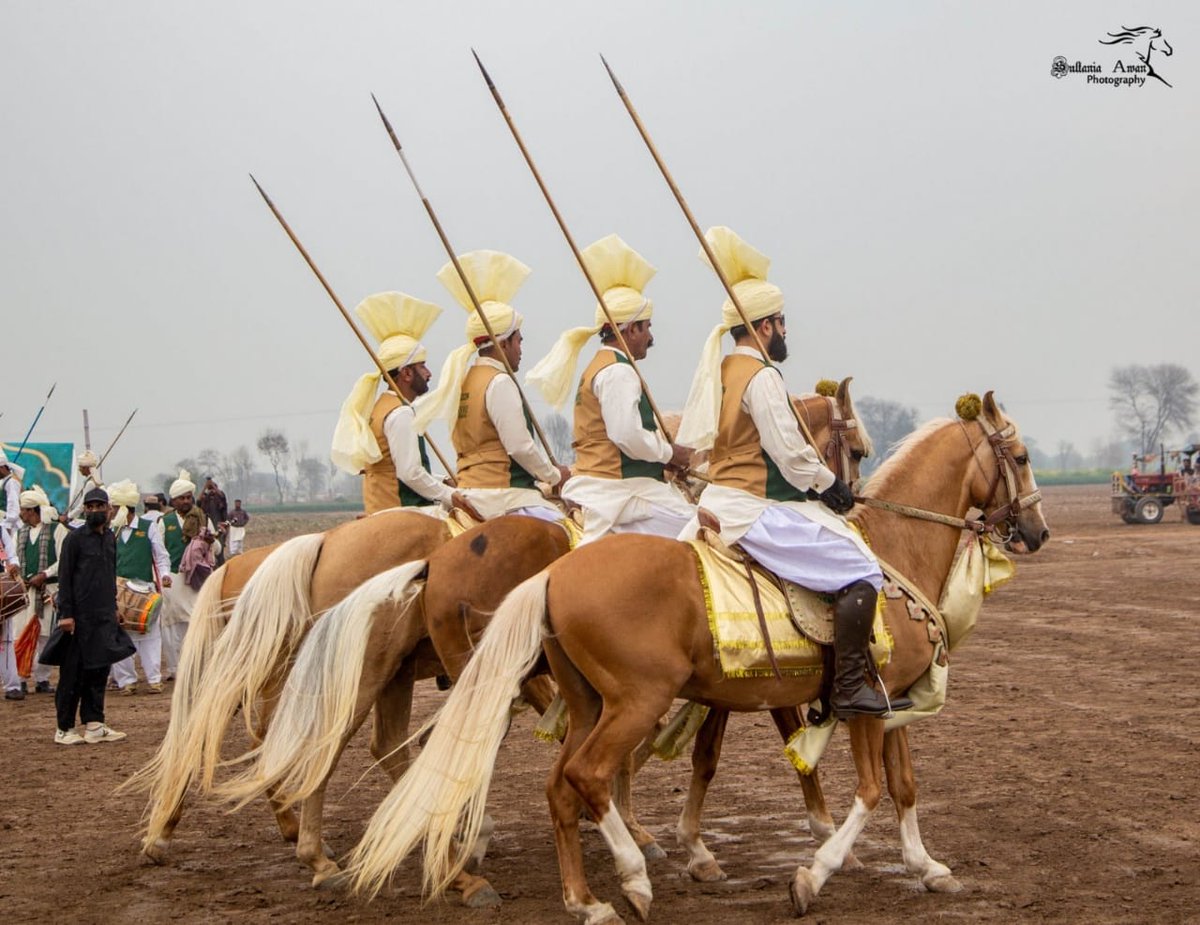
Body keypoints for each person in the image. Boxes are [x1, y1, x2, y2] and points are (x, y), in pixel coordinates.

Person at [676, 226, 911, 719]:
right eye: (781, 323)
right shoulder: (761, 377)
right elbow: (791, 454)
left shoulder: (723, 371)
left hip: (723, 501)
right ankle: (847, 687)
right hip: (753, 509)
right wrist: (833, 490)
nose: (785, 332)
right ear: (764, 326)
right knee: (862, 567)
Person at [526, 234, 695, 544]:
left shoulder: (598, 365)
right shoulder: (618, 371)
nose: (650, 336)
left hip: (608, 485)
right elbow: (626, 435)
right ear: (631, 329)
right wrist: (672, 453)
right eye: (647, 327)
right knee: (703, 531)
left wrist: (663, 459)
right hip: (623, 491)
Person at [417, 250, 569, 522]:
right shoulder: (498, 382)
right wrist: (554, 475)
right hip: (505, 496)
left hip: (469, 490)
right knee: (572, 536)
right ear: (503, 343)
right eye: (519, 340)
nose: (521, 349)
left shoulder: (462, 381)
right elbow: (520, 447)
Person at [330, 291, 457, 514]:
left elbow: (393, 468)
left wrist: (445, 480)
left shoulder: (378, 407)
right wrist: (452, 496)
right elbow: (409, 473)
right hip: (404, 512)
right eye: (422, 367)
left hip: (378, 508)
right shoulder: (400, 413)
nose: (428, 374)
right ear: (406, 373)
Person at [51, 487, 133, 744]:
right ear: (85, 510)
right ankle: (64, 728)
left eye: (100, 506)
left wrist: (115, 607)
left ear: (110, 510)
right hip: (78, 619)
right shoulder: (74, 540)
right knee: (72, 675)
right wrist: (66, 615)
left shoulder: (110, 538)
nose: (95, 511)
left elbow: (109, 576)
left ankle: (95, 724)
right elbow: (65, 577)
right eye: (90, 507)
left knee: (99, 671)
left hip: (104, 617)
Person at [107, 480, 170, 695]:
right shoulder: (110, 532)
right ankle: (127, 681)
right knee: (119, 636)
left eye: (113, 509)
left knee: (150, 635)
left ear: (124, 509)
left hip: (145, 589)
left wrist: (165, 575)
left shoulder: (147, 527)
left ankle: (153, 679)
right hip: (118, 591)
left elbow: (161, 557)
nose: (110, 512)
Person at [157, 471, 220, 680]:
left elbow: (217, 549)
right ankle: (175, 669)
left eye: (188, 497)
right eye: (181, 498)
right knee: (172, 623)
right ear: (173, 500)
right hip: (172, 578)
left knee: (195, 622)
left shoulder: (203, 519)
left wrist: (210, 542)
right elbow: (158, 551)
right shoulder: (164, 522)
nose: (185, 501)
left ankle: (196, 666)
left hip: (196, 579)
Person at [11, 486, 67, 696]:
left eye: (24, 510)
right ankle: (21, 678)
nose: (21, 514)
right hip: (24, 592)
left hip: (48, 591)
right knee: (21, 634)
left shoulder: (57, 530)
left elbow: (64, 559)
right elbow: (14, 558)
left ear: (33, 511)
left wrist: (44, 574)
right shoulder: (20, 532)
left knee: (45, 636)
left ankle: (42, 679)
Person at [65, 450, 104, 523]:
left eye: (81, 467)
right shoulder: (92, 481)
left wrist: (68, 516)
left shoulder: (91, 483)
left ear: (86, 468)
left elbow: (82, 506)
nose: (79, 470)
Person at [0, 449, 24, 548]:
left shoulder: (11, 482)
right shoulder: (6, 482)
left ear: (1, 468)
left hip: (12, 528)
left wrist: (6, 526)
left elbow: (14, 509)